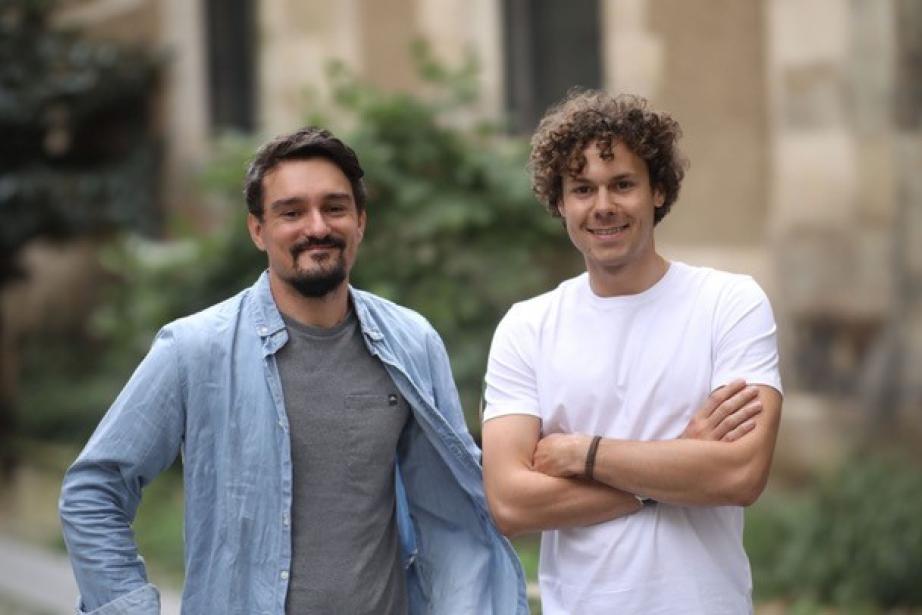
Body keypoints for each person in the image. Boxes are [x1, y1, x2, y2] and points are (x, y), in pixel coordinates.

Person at [59, 126, 527, 615]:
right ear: (258, 229)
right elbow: (94, 490)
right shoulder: (195, 348)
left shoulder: (413, 342)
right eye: (291, 212)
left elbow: (450, 516)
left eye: (335, 207)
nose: (317, 226)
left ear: (360, 221)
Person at [481, 91, 783, 614]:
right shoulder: (526, 327)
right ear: (559, 202)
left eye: (623, 184)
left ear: (658, 191)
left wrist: (585, 454)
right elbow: (509, 503)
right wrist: (668, 473)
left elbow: (740, 475)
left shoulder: (729, 304)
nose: (603, 206)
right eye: (582, 189)